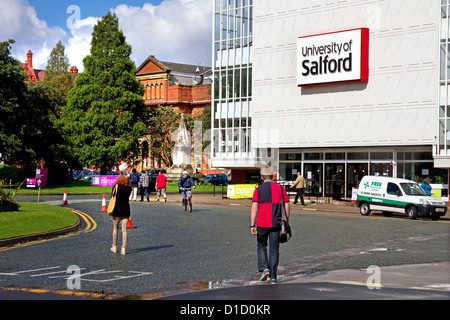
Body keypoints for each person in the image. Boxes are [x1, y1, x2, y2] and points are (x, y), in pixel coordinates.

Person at [250, 167, 290, 283]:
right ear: (273, 176)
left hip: (262, 223)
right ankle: (273, 276)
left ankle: (264, 268)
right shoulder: (281, 189)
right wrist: (286, 222)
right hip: (276, 223)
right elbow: (286, 206)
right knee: (274, 249)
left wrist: (252, 225)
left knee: (261, 245)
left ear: (261, 177)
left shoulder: (258, 190)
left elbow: (254, 207)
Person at [111, 175, 132, 255]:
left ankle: (114, 246)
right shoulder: (129, 189)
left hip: (116, 211)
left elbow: (112, 197)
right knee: (124, 230)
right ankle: (123, 248)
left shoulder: (115, 187)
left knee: (115, 228)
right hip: (126, 210)